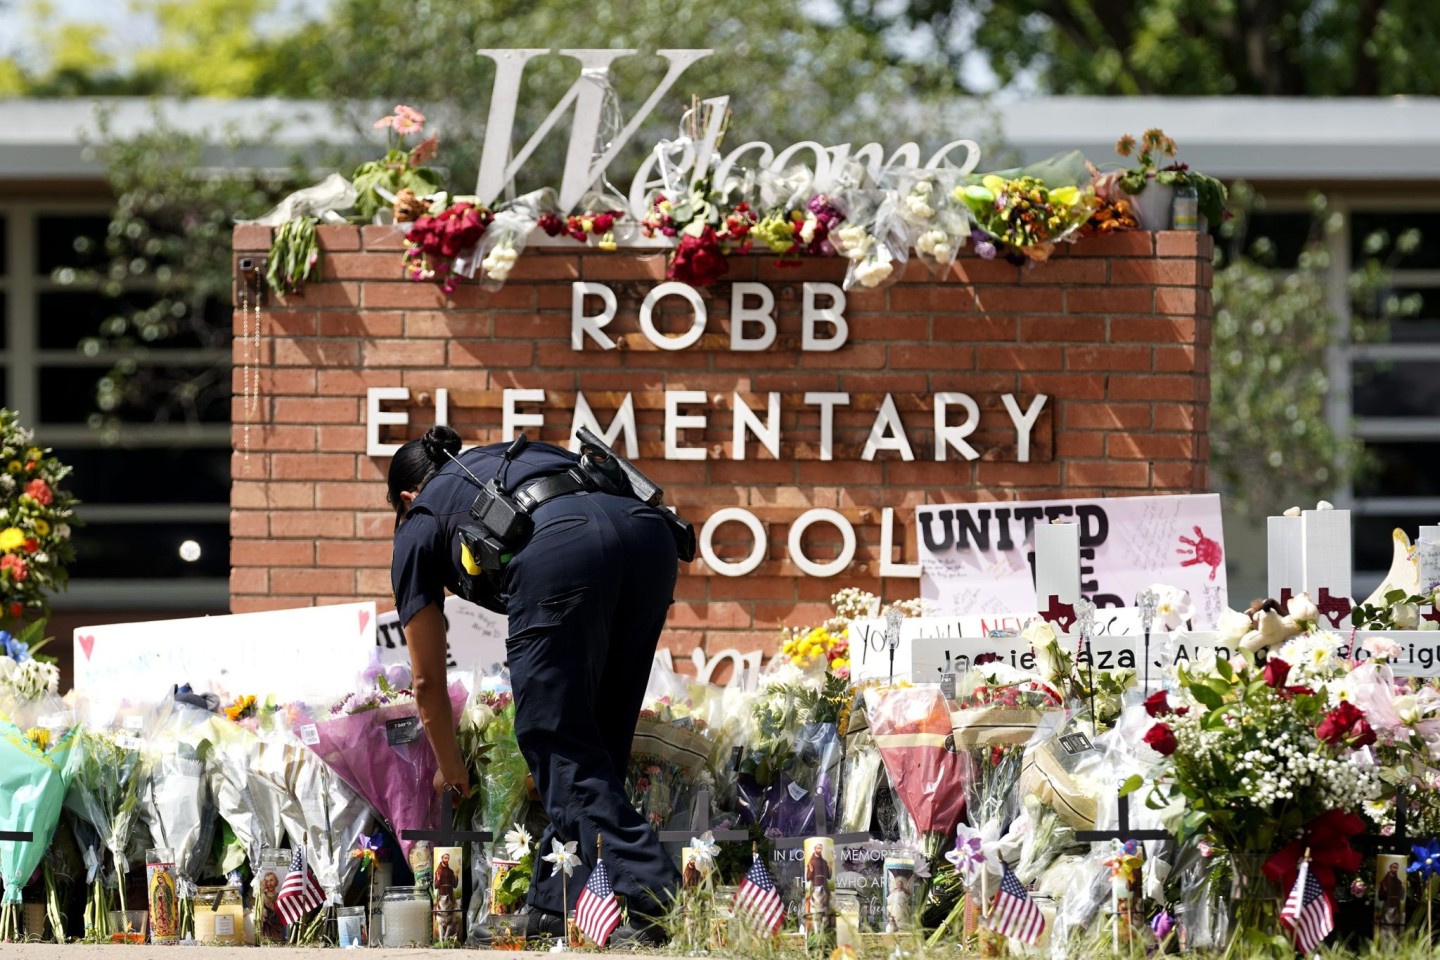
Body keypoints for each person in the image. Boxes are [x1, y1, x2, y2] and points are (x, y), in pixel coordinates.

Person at [388, 425, 682, 945]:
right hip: (649, 538)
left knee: (555, 738)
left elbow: (428, 680)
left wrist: (450, 766)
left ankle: (655, 895)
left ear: (407, 497)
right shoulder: (511, 457)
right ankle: (553, 900)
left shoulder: (419, 519)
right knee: (597, 740)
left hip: (561, 554)